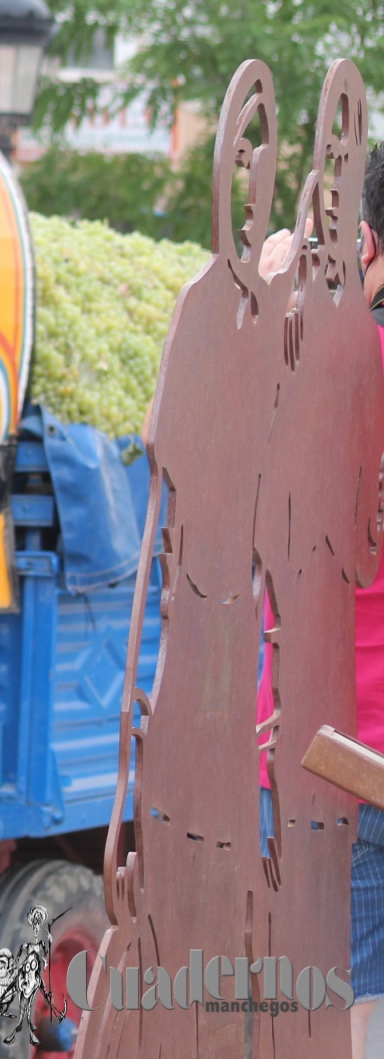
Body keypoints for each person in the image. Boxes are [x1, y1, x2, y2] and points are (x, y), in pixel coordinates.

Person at [260, 171, 384, 1058]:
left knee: (315, 1017)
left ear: (365, 246)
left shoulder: (334, 361)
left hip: (330, 754)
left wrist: (271, 299)